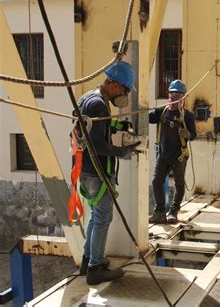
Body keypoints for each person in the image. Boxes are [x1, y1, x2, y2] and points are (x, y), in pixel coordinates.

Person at [77, 61, 141, 285]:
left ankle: (88, 261)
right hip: (96, 170)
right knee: (104, 217)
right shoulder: (99, 105)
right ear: (114, 85)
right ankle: (95, 268)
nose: (123, 95)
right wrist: (122, 151)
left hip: (85, 168)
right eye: (124, 90)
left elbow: (92, 135)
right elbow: (98, 146)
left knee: (97, 215)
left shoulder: (88, 98)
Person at [149, 79, 196, 224]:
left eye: (178, 95)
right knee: (156, 182)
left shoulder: (186, 115)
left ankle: (174, 211)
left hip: (179, 156)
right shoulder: (161, 111)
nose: (175, 98)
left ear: (183, 97)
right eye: (173, 94)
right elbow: (148, 117)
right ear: (169, 95)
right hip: (163, 155)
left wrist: (187, 134)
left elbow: (193, 135)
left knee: (179, 184)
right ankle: (160, 212)